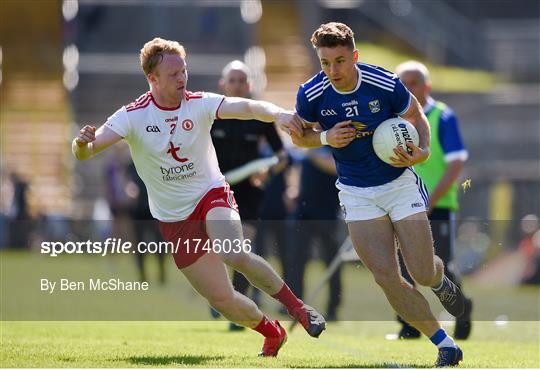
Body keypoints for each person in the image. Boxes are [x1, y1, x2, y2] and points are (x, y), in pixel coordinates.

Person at [71, 37, 326, 357]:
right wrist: (81, 144)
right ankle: (271, 332)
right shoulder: (132, 116)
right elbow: (87, 151)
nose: (182, 79)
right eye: (174, 74)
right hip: (173, 217)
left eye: (184, 71)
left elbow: (246, 107)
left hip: (211, 194)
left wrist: (279, 113)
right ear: (152, 78)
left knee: (233, 252)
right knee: (222, 300)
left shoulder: (199, 103)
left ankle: (298, 310)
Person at [281, 22, 465, 366]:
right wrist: (324, 139)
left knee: (422, 272)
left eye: (339, 61)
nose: (332, 70)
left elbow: (416, 115)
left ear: (354, 55)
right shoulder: (311, 93)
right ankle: (445, 344)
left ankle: (440, 282)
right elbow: (300, 136)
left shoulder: (383, 82)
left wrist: (423, 150)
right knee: (386, 277)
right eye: (325, 63)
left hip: (399, 185)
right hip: (356, 193)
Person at [395, 60, 473, 340]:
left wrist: (430, 202)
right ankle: (410, 324)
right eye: (402, 83)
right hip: (403, 204)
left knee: (443, 265)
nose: (407, 88)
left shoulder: (443, 116)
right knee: (403, 266)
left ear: (426, 86)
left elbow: (455, 164)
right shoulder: (394, 122)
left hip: (437, 205)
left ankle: (462, 312)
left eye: (413, 82)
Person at [210, 60, 288, 330]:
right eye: (232, 80)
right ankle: (219, 294)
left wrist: (267, 172)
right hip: (215, 191)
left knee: (240, 248)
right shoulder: (211, 113)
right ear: (223, 84)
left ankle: (237, 310)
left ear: (249, 84)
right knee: (217, 250)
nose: (237, 85)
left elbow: (281, 156)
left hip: (249, 193)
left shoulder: (258, 115)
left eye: (242, 80)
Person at [289, 147, 342, 320]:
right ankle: (295, 305)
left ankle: (333, 307)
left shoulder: (332, 144)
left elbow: (335, 167)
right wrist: (293, 188)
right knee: (297, 260)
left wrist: (310, 152)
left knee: (331, 262)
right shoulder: (308, 144)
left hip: (327, 214)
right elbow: (298, 168)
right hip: (304, 212)